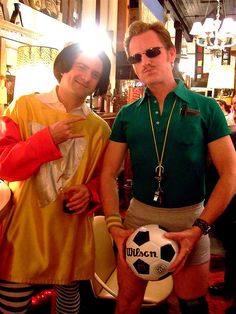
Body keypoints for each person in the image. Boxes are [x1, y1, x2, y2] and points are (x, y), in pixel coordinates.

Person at [100, 20, 236, 314]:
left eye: (152, 52)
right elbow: (108, 173)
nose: (144, 62)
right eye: (136, 58)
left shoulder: (207, 108)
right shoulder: (126, 115)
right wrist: (113, 225)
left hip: (190, 220)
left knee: (193, 305)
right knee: (127, 303)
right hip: (138, 218)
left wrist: (200, 228)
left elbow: (230, 175)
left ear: (171, 53)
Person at [0, 42, 111, 313]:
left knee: (69, 293)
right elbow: (4, 165)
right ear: (64, 68)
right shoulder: (23, 107)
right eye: (81, 67)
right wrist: (47, 139)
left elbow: (104, 178)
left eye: (95, 74)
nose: (86, 76)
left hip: (69, 228)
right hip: (25, 226)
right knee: (13, 294)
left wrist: (90, 192)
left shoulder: (100, 128)